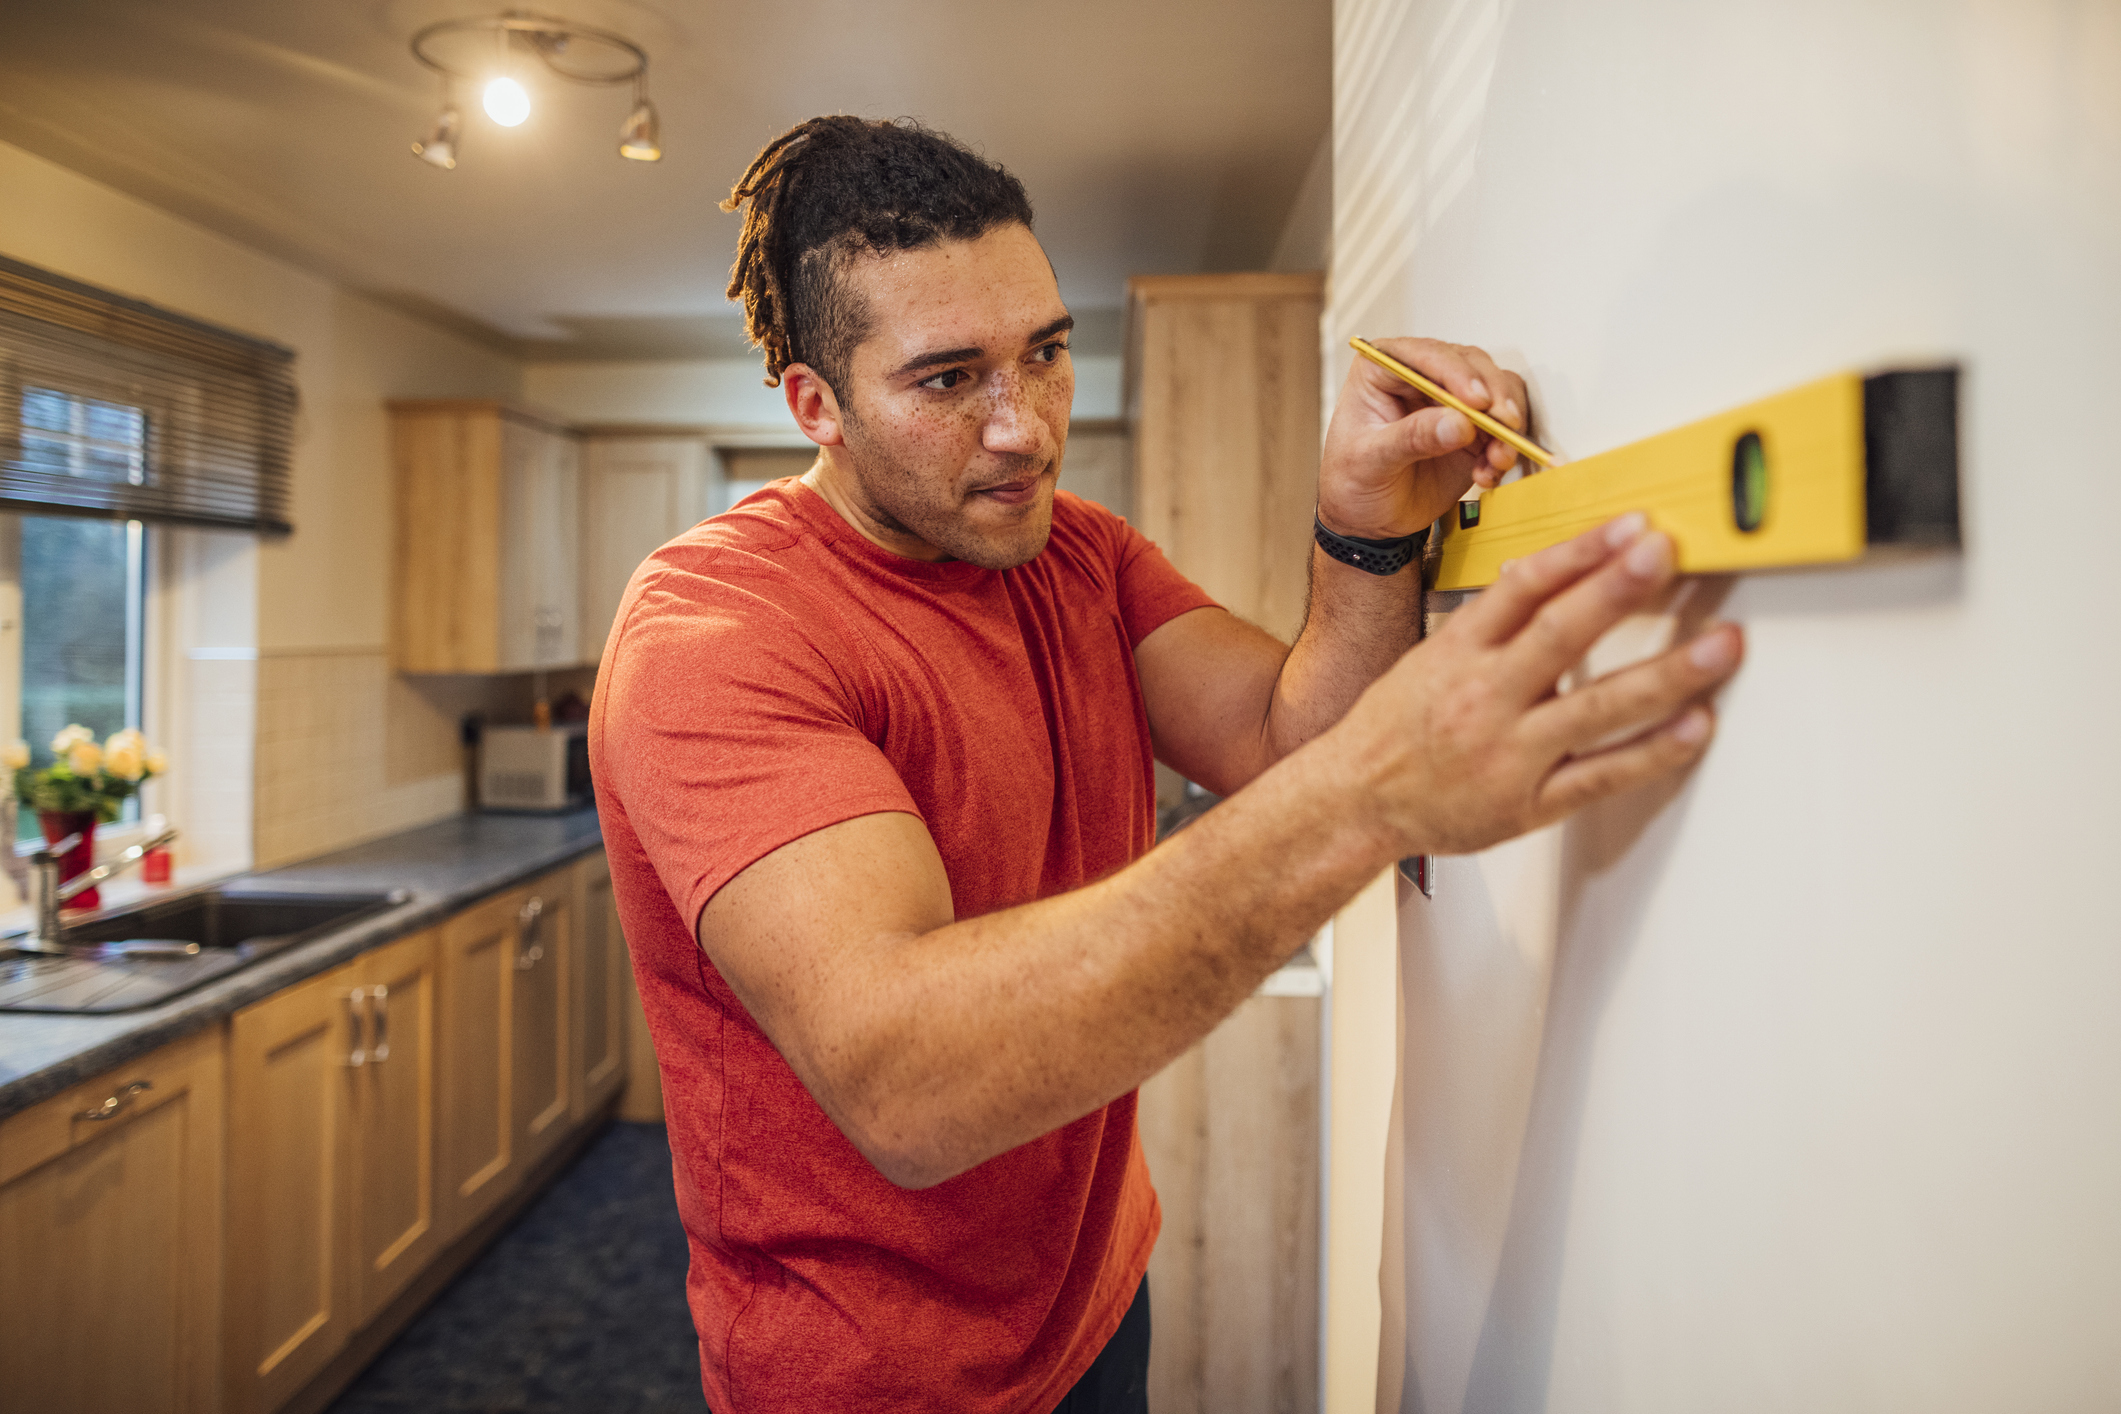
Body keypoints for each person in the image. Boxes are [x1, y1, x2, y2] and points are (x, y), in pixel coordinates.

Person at [590, 115, 1743, 1414]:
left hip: (1088, 1302)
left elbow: (1283, 735)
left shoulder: (1073, 553)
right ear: (818, 405)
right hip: (871, 1374)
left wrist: (1360, 529)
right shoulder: (716, 632)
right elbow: (906, 1083)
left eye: (1044, 353)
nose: (1024, 427)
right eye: (948, 377)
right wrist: (1374, 793)